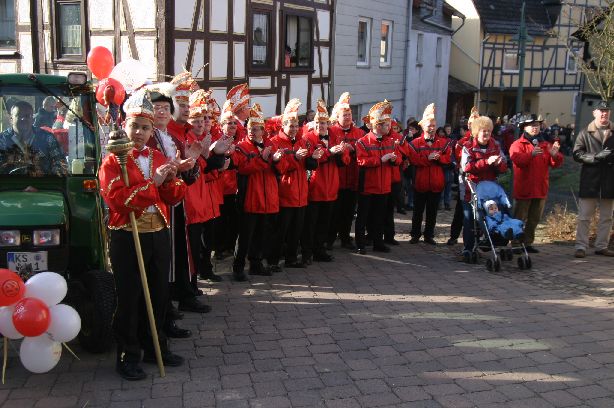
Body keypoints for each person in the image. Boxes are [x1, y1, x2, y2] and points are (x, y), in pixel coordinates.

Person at [99, 90, 186, 380]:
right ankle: (128, 354)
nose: (138, 132)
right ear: (124, 125)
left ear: (152, 131)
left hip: (158, 233)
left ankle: (156, 347)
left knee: (159, 294)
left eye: (145, 127)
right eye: (134, 126)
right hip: (127, 234)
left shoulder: (158, 154)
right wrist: (155, 182)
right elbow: (118, 200)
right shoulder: (113, 160)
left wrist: (174, 179)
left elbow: (171, 198)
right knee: (131, 296)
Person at [232, 103, 283, 280]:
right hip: (250, 198)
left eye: (256, 129)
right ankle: (238, 267)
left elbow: (280, 170)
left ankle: (256, 264)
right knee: (245, 236)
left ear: (263, 130)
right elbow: (243, 169)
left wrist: (276, 161)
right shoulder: (241, 147)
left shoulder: (271, 145)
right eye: (250, 128)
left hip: (268, 197)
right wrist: (262, 159)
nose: (253, 132)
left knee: (262, 234)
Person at [269, 99, 319, 269]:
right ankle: (273, 261)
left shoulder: (302, 142)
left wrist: (314, 158)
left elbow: (309, 165)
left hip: (301, 194)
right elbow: (279, 169)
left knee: (296, 231)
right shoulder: (275, 142)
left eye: (296, 125)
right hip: (285, 193)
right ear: (283, 125)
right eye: (290, 125)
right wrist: (295, 158)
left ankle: (291, 259)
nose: (294, 129)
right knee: (280, 232)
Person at [302, 100, 349, 263]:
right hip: (315, 187)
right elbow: (309, 161)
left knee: (324, 223)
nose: (320, 126)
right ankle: (307, 253)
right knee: (311, 224)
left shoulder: (335, 136)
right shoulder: (307, 138)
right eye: (317, 123)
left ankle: (320, 250)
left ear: (328, 123)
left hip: (331, 187)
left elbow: (345, 161)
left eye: (323, 123)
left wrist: (341, 153)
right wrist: (329, 152)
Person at [509, 114, 563, 253]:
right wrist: (530, 155)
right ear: (524, 127)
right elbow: (517, 159)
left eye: (537, 125)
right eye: (532, 125)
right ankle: (515, 243)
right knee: (519, 218)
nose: (535, 127)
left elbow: (556, 163)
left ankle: (527, 243)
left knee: (534, 219)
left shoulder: (545, 144)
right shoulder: (517, 144)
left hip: (540, 189)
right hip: (524, 188)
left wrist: (555, 155)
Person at [460, 115, 508, 260]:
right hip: (472, 189)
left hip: (490, 190)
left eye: (488, 130)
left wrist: (498, 163)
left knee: (493, 215)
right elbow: (466, 167)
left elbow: (504, 167)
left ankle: (491, 242)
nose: (486, 134)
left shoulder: (496, 146)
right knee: (470, 220)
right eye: (483, 131)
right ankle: (468, 248)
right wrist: (486, 162)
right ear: (476, 132)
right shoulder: (468, 147)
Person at [572, 101, 614, 258]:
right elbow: (577, 154)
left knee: (607, 217)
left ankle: (602, 246)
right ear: (594, 113)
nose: (604, 113)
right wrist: (595, 157)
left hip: (609, 179)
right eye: (601, 111)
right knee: (584, 217)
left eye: (606, 111)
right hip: (590, 179)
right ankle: (581, 246)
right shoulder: (585, 132)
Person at [355, 100, 397, 254]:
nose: (389, 127)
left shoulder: (390, 141)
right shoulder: (362, 142)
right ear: (378, 126)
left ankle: (378, 242)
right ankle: (360, 244)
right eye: (386, 125)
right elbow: (361, 161)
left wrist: (394, 159)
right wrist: (381, 160)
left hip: (384, 186)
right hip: (368, 186)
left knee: (379, 217)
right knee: (363, 217)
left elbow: (397, 159)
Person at [407, 104, 451, 245]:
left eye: (433, 125)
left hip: (437, 183)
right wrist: (428, 159)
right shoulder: (415, 143)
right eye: (429, 125)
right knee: (418, 211)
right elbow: (413, 160)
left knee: (432, 212)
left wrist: (439, 158)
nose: (432, 128)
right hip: (421, 182)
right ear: (423, 126)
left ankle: (429, 235)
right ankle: (415, 234)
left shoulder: (443, 143)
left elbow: (448, 160)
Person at [327, 92, 365, 249]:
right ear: (337, 116)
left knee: (349, 212)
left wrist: (354, 150)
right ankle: (329, 239)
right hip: (337, 178)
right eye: (345, 114)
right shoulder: (331, 131)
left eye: (349, 114)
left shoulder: (359, 133)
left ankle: (345, 237)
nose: (348, 117)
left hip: (353, 178)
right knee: (334, 212)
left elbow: (364, 152)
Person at [0, 101, 68, 176]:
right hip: (9, 185)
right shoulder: (2, 140)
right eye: (19, 115)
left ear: (33, 119)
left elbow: (61, 164)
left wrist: (53, 175)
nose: (23, 119)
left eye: (27, 116)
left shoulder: (48, 138)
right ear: (11, 119)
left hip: (42, 185)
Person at [447, 107, 479, 245]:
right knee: (461, 209)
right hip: (465, 179)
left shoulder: (485, 140)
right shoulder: (462, 142)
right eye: (472, 125)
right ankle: (454, 236)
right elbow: (459, 160)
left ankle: (476, 237)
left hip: (479, 180)